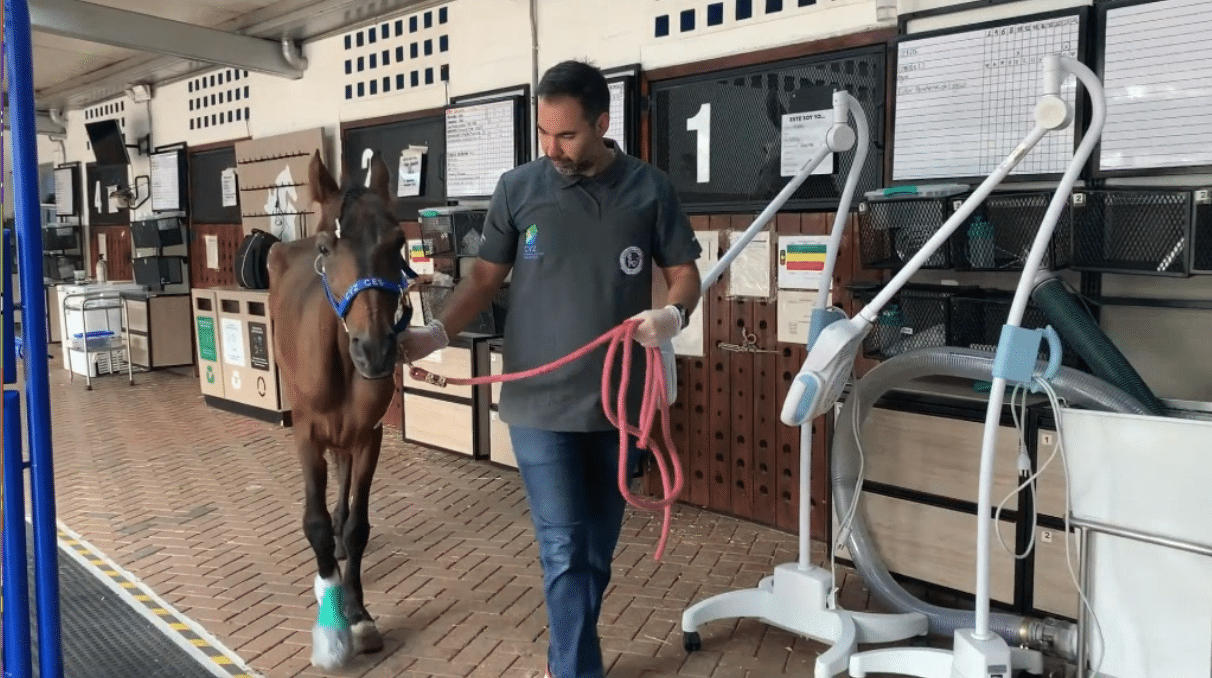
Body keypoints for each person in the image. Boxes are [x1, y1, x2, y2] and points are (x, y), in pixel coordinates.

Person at [400, 59, 703, 678]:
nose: (552, 147)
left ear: (602, 122)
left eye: (566, 134)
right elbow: (485, 276)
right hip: (538, 405)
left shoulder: (650, 189)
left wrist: (671, 317)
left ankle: (566, 656)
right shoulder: (519, 188)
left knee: (595, 556)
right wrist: (435, 333)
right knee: (564, 550)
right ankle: (572, 670)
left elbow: (685, 273)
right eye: (543, 133)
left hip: (620, 404)